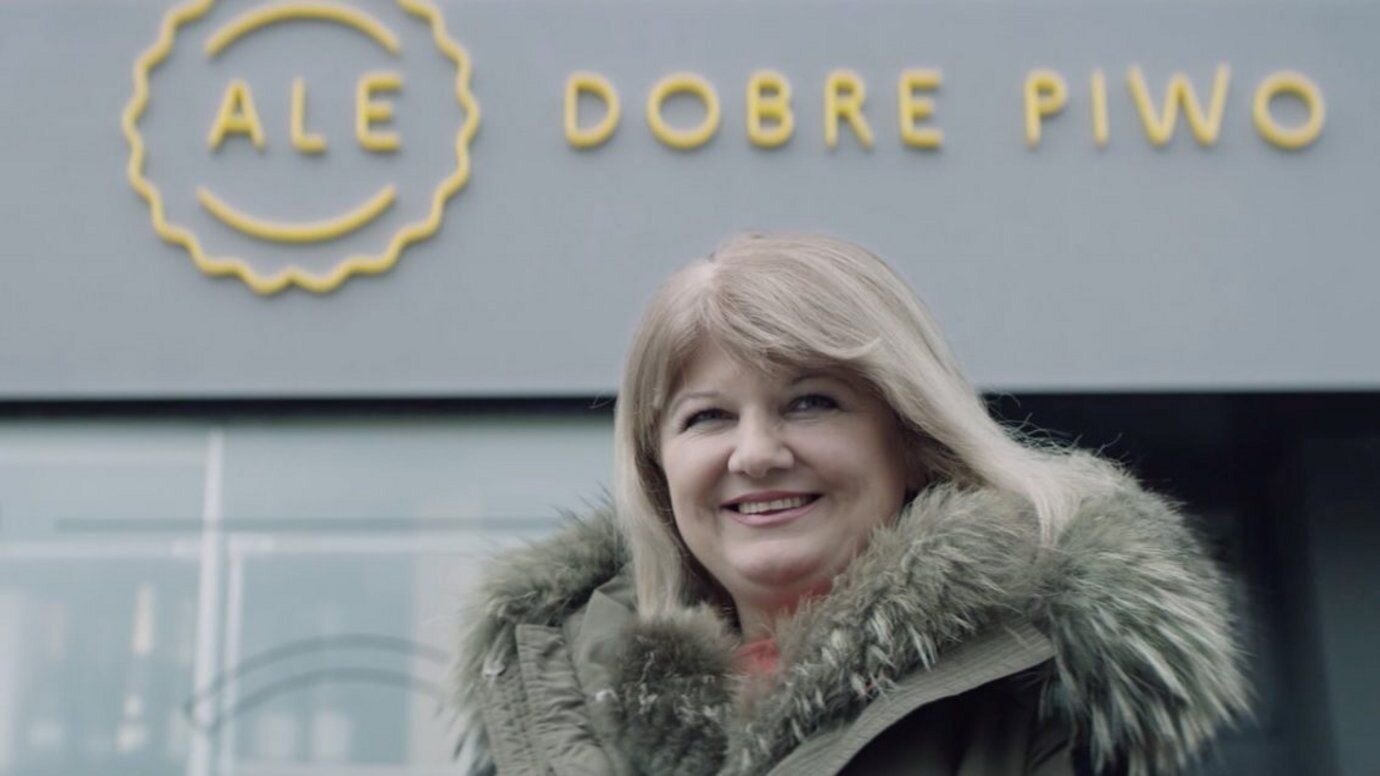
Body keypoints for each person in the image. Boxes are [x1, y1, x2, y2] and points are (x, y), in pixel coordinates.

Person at [452, 234, 1248, 775]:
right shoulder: (551, 693)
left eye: (811, 403)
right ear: (657, 469)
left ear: (911, 437)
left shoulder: (1046, 686)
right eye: (708, 417)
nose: (755, 453)